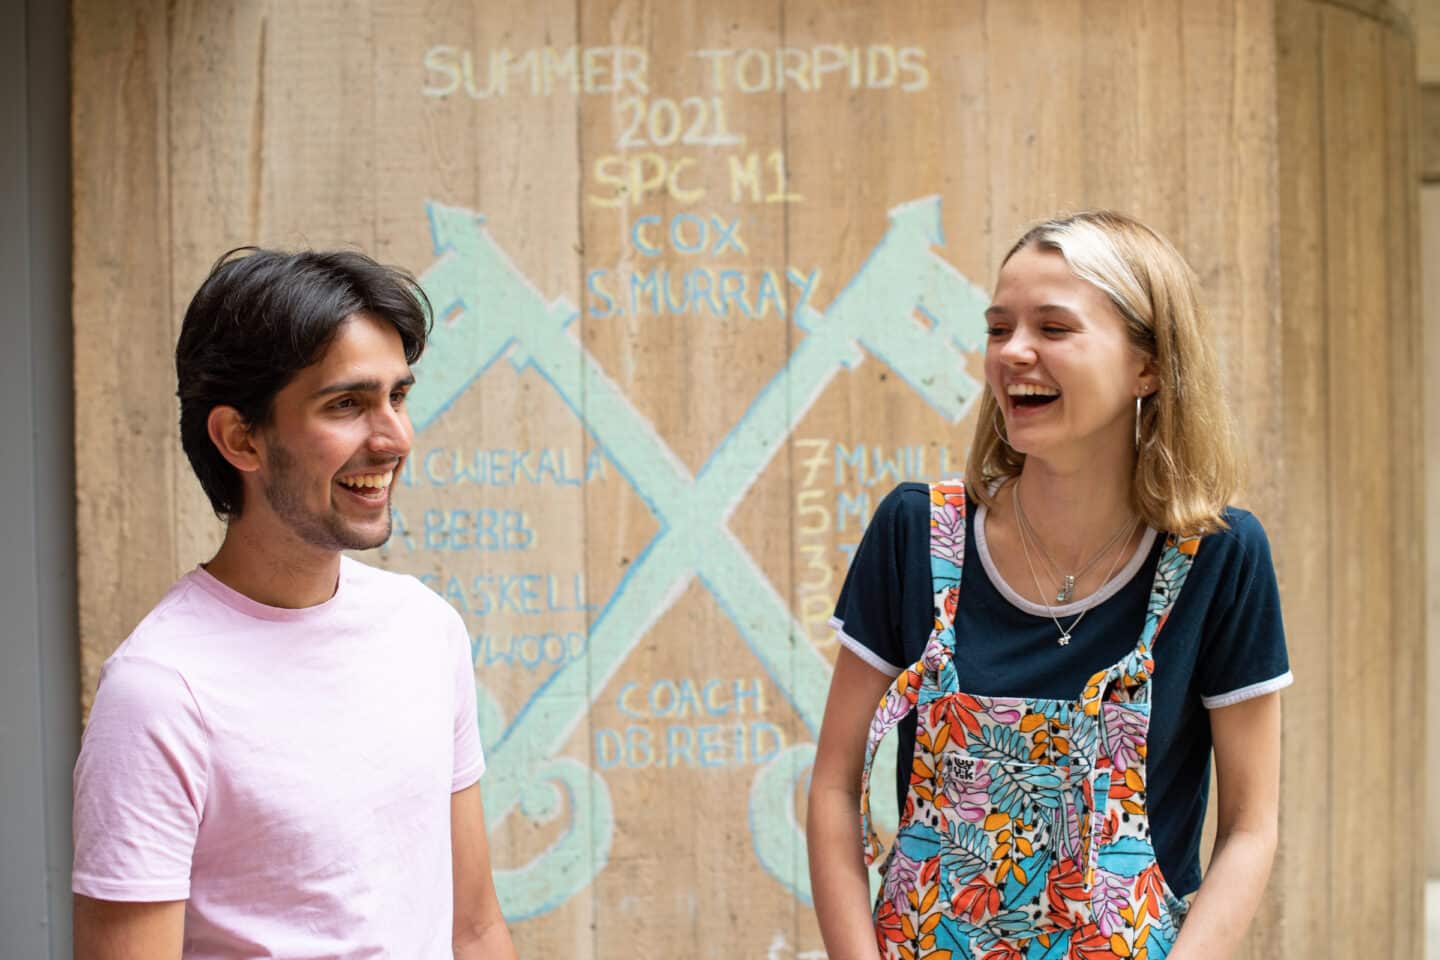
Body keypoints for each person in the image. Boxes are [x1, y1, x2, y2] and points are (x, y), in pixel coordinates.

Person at [806, 212, 1289, 960]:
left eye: (1054, 328)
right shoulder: (915, 536)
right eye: (999, 329)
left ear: (1148, 364)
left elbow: (1251, 826)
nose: (1013, 353)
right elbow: (835, 786)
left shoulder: (1215, 560)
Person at [72, 249, 517, 959]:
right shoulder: (160, 694)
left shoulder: (425, 630)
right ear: (240, 437)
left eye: (397, 396)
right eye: (347, 404)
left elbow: (474, 929)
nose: (394, 437)